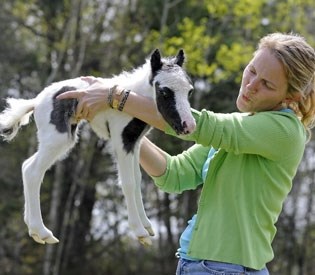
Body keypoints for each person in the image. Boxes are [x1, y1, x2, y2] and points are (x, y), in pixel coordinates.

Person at [57, 32, 315, 274]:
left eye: (267, 84)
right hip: (195, 263)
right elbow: (174, 174)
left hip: (228, 269)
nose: (250, 85)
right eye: (252, 71)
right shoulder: (242, 125)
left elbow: (199, 126)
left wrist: (114, 96)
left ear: (290, 96)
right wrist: (118, 123)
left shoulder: (285, 130)